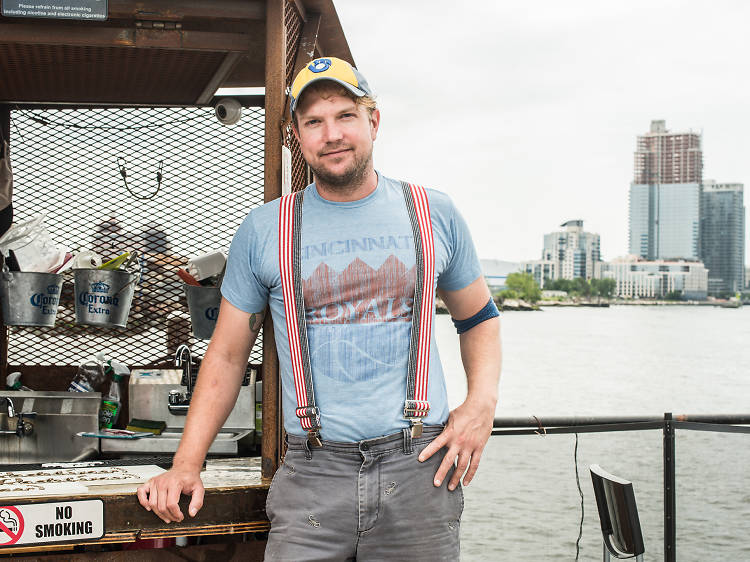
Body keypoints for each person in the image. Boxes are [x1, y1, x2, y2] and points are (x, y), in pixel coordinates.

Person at [137, 57, 502, 560]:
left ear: (373, 121)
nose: (332, 134)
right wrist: (185, 464)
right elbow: (224, 356)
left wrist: (481, 405)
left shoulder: (433, 211)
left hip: (419, 469)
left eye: (345, 115)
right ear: (296, 135)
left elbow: (479, 319)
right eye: (314, 121)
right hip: (312, 474)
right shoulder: (266, 230)